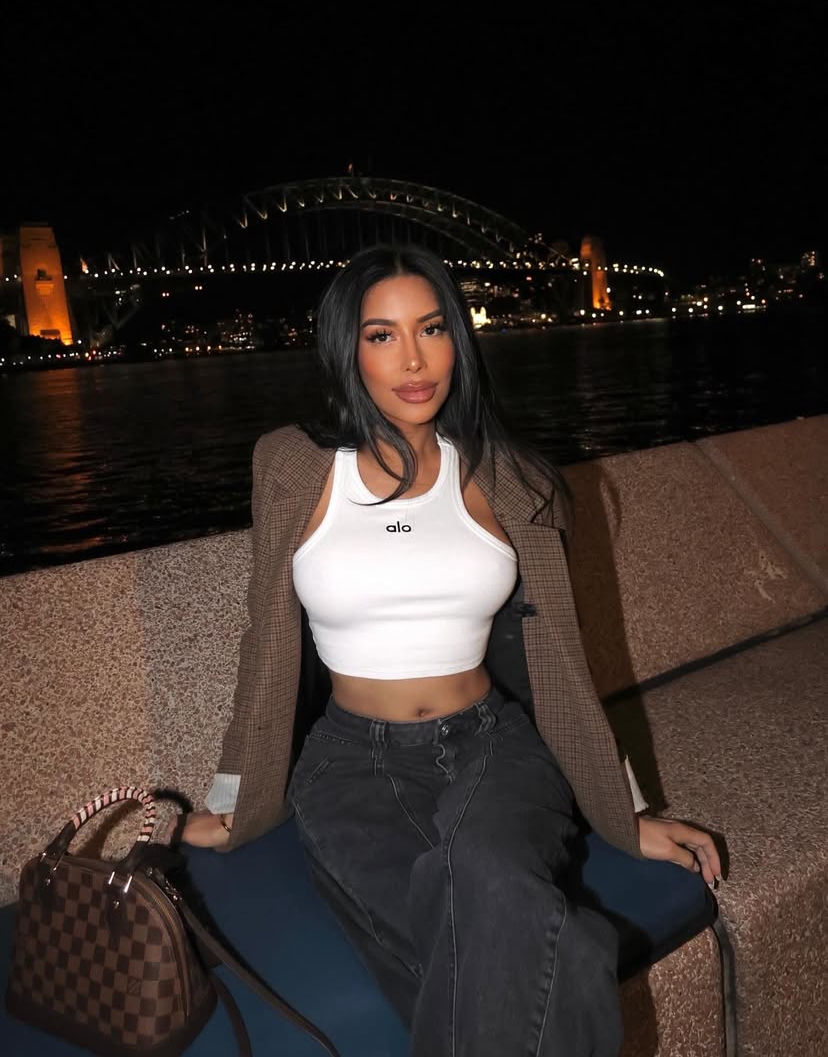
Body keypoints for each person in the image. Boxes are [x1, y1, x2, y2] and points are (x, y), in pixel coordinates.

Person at [164, 243, 723, 1056]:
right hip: (350, 765)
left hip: (493, 746)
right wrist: (233, 796)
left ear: (458, 338)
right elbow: (265, 642)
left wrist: (624, 812)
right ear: (347, 348)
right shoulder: (291, 464)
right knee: (530, 942)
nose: (414, 359)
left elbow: (562, 662)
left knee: (490, 883)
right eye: (382, 335)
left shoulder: (510, 477)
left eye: (431, 329)